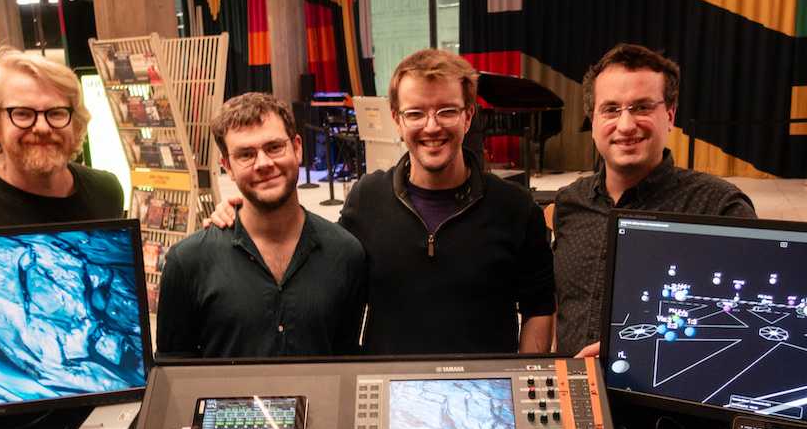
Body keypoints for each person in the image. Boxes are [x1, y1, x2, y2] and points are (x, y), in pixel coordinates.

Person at [209, 49, 555, 355]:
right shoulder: (366, 199)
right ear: (397, 120)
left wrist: (523, 385)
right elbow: (321, 261)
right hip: (389, 402)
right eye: (416, 113)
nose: (431, 126)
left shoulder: (516, 208)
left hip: (483, 401)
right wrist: (247, 212)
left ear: (468, 116)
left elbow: (539, 307)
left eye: (447, 111)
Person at [553, 43, 756, 357]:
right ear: (592, 121)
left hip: (662, 397)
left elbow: (744, 321)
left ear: (670, 115)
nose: (625, 125)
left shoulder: (719, 206)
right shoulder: (570, 203)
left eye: (642, 107)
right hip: (573, 395)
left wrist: (635, 348)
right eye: (611, 109)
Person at [156, 93, 365, 358]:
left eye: (274, 147)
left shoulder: (345, 254)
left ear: (297, 148)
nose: (264, 163)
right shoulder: (188, 262)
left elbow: (347, 363)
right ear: (227, 167)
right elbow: (172, 377)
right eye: (246, 154)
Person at [0, 48, 123, 231]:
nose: (43, 128)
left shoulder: (105, 191)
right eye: (23, 114)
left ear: (76, 122)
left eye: (56, 113)